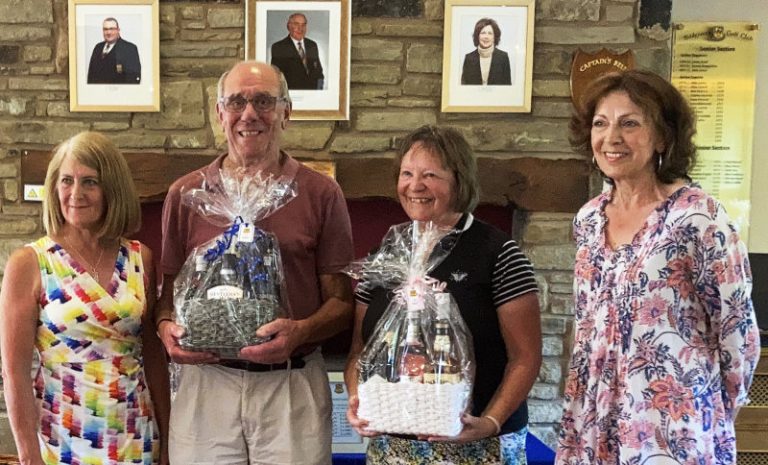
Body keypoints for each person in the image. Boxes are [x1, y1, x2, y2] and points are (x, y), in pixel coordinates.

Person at [556, 69, 761, 464]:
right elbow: (588, 325)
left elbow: (738, 331)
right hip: (595, 416)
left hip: (671, 422)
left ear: (663, 137)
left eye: (629, 123)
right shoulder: (588, 218)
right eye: (601, 124)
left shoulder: (699, 217)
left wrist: (712, 412)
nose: (611, 138)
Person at [154, 61, 354, 464]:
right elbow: (168, 294)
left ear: (286, 112)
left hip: (291, 386)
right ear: (219, 113)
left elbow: (343, 302)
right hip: (206, 386)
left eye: (263, 101)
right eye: (236, 102)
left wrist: (301, 331)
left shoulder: (320, 193)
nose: (249, 114)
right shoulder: (187, 195)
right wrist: (165, 329)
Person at [344, 125, 542, 464]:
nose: (415, 186)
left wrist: (491, 422)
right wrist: (357, 399)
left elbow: (525, 357)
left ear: (459, 180)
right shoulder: (384, 255)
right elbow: (359, 352)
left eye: (430, 175)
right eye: (407, 173)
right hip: (394, 448)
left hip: (476, 447)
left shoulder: (498, 252)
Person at [0, 131, 170, 465]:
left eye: (90, 182)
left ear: (112, 189)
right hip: (61, 440)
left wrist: (168, 438)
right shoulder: (30, 262)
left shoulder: (141, 258)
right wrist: (28, 456)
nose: (75, 194)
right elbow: (14, 371)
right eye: (66, 181)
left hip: (135, 436)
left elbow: (153, 359)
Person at [271, 12, 325, 90]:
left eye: (303, 25)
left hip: (313, 95)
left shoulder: (312, 45)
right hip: (292, 95)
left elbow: (319, 73)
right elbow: (277, 77)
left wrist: (320, 91)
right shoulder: (279, 47)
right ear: (289, 26)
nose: (300, 28)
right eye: (296, 24)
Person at [87, 17, 141, 84]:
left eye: (112, 29)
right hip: (98, 92)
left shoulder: (129, 49)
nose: (108, 32)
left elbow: (133, 78)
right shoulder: (97, 48)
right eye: (105, 29)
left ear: (118, 30)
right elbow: (91, 75)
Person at [461, 18, 512, 86]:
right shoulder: (469, 58)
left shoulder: (503, 57)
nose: (486, 37)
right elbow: (464, 86)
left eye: (490, 33)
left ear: (494, 37)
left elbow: (507, 86)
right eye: (483, 33)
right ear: (477, 36)